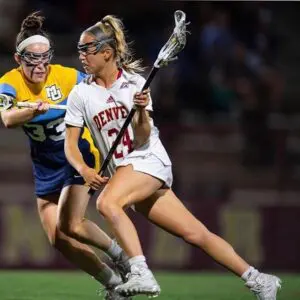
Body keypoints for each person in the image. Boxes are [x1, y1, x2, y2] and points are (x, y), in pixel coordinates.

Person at [64, 14, 282, 299]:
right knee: (195, 234)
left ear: (107, 52)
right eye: (80, 49)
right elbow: (70, 144)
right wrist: (84, 169)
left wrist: (140, 109)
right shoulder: (80, 93)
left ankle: (140, 272)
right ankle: (259, 279)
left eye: (87, 49)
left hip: (148, 160)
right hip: (124, 173)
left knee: (107, 202)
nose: (82, 55)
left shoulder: (134, 85)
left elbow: (142, 136)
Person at [0, 11, 131, 300]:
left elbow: (102, 89)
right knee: (58, 239)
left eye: (44, 56)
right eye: (32, 58)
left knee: (71, 224)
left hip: (78, 155)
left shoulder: (68, 76)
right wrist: (33, 109)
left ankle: (125, 259)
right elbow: (7, 118)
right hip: (45, 165)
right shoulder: (9, 82)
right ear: (18, 58)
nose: (40, 64)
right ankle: (114, 284)